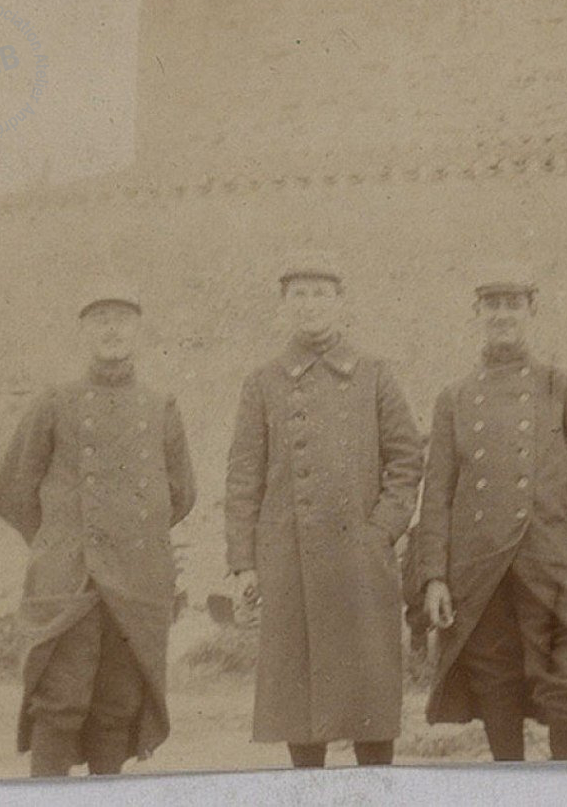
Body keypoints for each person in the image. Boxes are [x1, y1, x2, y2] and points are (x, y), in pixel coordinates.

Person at [414, 262, 567, 761]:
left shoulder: (560, 386)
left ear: (531, 312)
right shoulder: (455, 398)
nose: (502, 314)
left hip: (545, 562)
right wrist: (433, 578)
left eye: (513, 304)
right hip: (480, 569)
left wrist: (542, 499)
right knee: (495, 687)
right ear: (476, 314)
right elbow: (436, 494)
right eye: (492, 305)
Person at [0, 279, 196, 776]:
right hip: (71, 581)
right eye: (99, 319)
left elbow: (180, 493)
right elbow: (11, 487)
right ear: (83, 331)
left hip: (137, 582)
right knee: (59, 702)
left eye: (121, 319)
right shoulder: (55, 401)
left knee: (117, 707)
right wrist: (61, 539)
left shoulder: (160, 404)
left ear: (139, 331)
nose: (111, 330)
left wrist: (132, 537)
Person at [225, 250, 423, 768]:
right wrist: (244, 562)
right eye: (299, 294)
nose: (310, 305)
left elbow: (406, 458)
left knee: (369, 702)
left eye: (321, 293)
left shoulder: (376, 375)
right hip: (287, 560)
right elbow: (243, 476)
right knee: (299, 705)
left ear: (341, 302)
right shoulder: (262, 382)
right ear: (283, 306)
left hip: (361, 562)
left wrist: (381, 531)